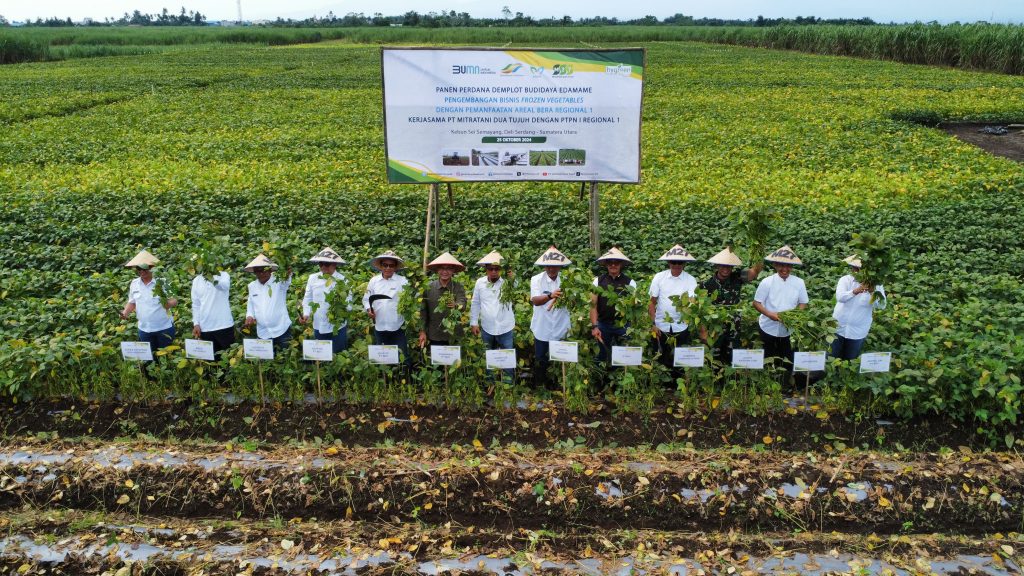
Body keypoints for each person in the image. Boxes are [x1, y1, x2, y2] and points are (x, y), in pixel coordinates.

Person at [752, 245, 808, 381]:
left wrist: (796, 316)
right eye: (781, 265)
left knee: (787, 358)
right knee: (767, 356)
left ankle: (785, 382)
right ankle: (767, 381)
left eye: (788, 266)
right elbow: (756, 303)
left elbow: (803, 303)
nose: (785, 269)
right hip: (767, 326)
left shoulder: (799, 283)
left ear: (792, 267)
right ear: (775, 265)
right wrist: (769, 314)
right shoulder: (767, 282)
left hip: (788, 329)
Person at [701, 247, 763, 365]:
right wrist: (703, 331)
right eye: (723, 266)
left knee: (733, 357)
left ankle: (732, 376)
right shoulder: (706, 285)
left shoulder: (737, 278)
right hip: (715, 328)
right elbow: (702, 310)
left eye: (729, 266)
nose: (726, 269)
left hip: (734, 327)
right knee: (714, 358)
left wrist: (759, 251)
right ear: (717, 266)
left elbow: (755, 271)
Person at [649, 244, 698, 379]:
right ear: (668, 262)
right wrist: (653, 324)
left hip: (681, 325)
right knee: (660, 356)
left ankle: (679, 384)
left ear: (684, 263)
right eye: (673, 262)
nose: (676, 265)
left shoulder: (690, 280)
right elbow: (652, 302)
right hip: (661, 324)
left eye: (680, 262)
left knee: (680, 357)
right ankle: (661, 384)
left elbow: (693, 302)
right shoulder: (659, 277)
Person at [470, 251, 516, 381]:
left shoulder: (507, 282)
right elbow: (475, 303)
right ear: (486, 269)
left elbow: (515, 286)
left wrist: (512, 278)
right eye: (491, 269)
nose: (494, 272)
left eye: (497, 269)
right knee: (488, 356)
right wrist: (474, 322)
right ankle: (490, 384)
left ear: (501, 269)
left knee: (507, 358)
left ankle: (508, 384)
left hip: (505, 326)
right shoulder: (480, 283)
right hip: (487, 327)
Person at [529, 246, 571, 387]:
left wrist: (569, 297)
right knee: (541, 358)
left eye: (555, 266)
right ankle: (541, 387)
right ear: (544, 266)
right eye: (548, 266)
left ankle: (557, 386)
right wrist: (550, 296)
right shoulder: (536, 279)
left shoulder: (567, 280)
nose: (552, 269)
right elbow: (535, 300)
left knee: (559, 358)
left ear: (560, 266)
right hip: (542, 326)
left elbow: (573, 302)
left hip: (561, 325)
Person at [120, 249, 178, 352]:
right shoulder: (134, 283)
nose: (142, 271)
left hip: (164, 328)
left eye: (145, 268)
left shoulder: (163, 282)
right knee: (149, 358)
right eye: (139, 268)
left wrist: (167, 303)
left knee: (166, 357)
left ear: (153, 268)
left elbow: (174, 300)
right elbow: (132, 302)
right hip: (144, 329)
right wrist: (125, 312)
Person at [832, 255, 887, 360]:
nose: (856, 271)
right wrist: (855, 291)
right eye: (855, 268)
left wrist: (872, 292)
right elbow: (840, 297)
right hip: (838, 328)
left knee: (850, 360)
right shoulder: (845, 280)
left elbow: (882, 305)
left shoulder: (877, 285)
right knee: (832, 358)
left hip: (857, 332)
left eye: (860, 269)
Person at [590, 247, 637, 368]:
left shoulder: (630, 282)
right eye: (610, 262)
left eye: (616, 262)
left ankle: (620, 376)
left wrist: (631, 327)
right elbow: (593, 305)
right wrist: (594, 326)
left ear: (621, 264)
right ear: (606, 264)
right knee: (602, 354)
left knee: (623, 355)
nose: (613, 265)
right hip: (603, 324)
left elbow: (633, 307)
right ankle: (602, 376)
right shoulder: (598, 281)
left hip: (623, 325)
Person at [300, 247, 351, 354]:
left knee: (338, 354)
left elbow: (349, 303)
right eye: (321, 264)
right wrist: (306, 314)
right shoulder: (313, 278)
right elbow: (308, 298)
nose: (323, 266)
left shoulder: (343, 280)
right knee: (321, 355)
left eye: (326, 264)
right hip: (318, 323)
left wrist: (340, 307)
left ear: (334, 264)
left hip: (338, 325)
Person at [363, 250, 410, 363]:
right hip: (379, 324)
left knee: (402, 356)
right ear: (381, 266)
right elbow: (366, 299)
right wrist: (369, 309)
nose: (388, 268)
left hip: (398, 325)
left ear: (395, 267)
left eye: (391, 265)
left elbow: (410, 299)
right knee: (383, 357)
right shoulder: (374, 281)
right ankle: (385, 374)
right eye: (385, 265)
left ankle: (404, 373)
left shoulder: (403, 281)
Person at [243, 254, 293, 351]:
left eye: (263, 270)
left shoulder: (279, 281)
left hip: (281, 329)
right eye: (258, 271)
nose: (261, 273)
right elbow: (251, 303)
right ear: (254, 272)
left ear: (270, 270)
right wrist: (249, 316)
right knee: (265, 359)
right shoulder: (252, 286)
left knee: (285, 357)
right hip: (263, 332)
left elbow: (287, 278)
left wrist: (287, 271)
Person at [419, 252, 467, 348]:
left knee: (454, 357)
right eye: (442, 268)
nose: (445, 272)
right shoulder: (428, 287)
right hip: (435, 333)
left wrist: (456, 305)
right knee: (437, 357)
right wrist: (422, 331)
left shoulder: (458, 287)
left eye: (448, 268)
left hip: (454, 333)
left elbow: (463, 303)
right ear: (437, 270)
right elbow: (423, 312)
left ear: (453, 270)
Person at [190, 265, 234, 358]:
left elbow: (224, 286)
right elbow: (196, 305)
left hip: (224, 326)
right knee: (210, 361)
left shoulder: (223, 275)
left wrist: (211, 277)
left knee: (229, 359)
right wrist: (196, 323)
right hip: (205, 328)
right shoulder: (196, 280)